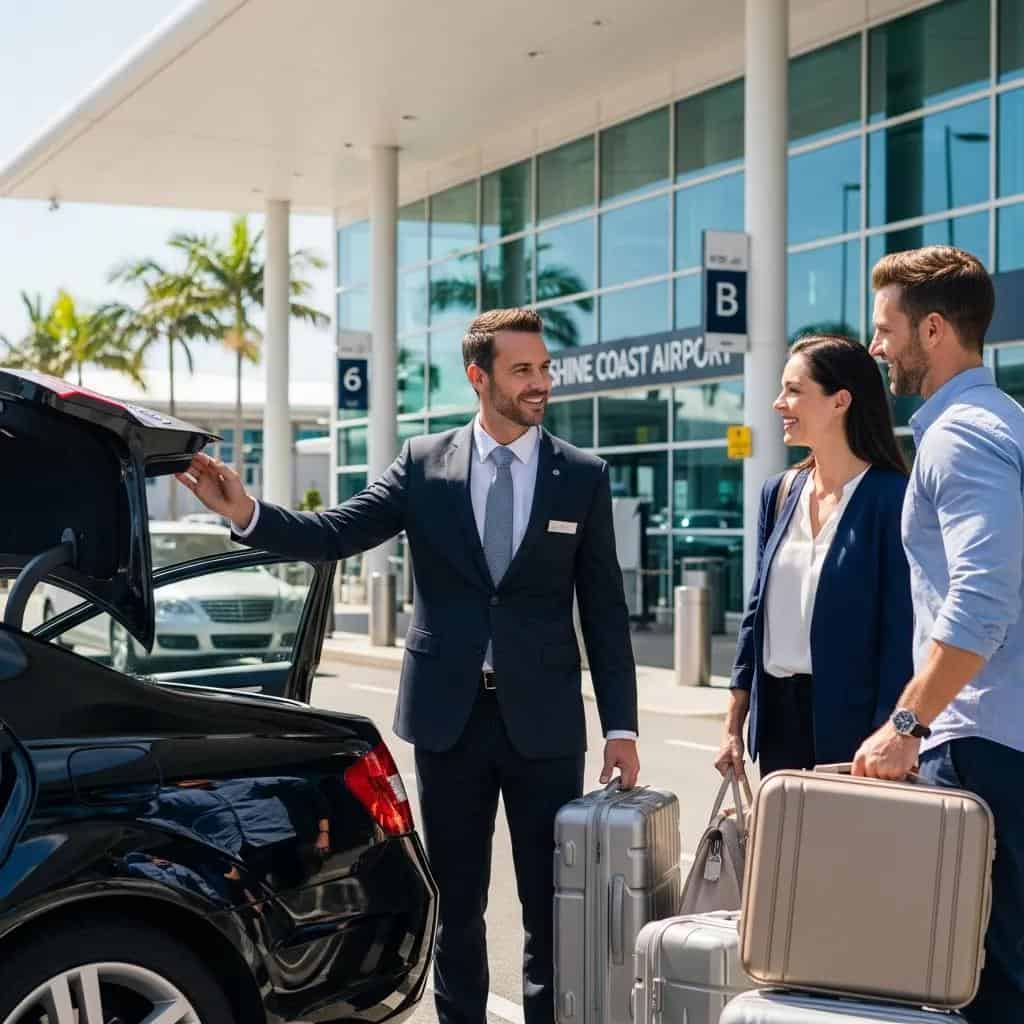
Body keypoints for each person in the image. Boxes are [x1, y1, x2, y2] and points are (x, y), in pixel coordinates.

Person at [176, 307, 639, 1024]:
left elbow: (604, 612)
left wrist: (623, 728)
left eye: (545, 367)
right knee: (457, 902)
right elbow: (336, 532)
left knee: (551, 904)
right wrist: (248, 513)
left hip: (544, 723)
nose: (540, 381)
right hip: (449, 719)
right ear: (478, 377)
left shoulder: (580, 476)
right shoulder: (426, 466)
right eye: (523, 370)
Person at [855, 246, 1023, 1022]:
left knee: (983, 975)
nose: (876, 347)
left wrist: (905, 724)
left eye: (886, 328)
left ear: (932, 329)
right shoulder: (1006, 421)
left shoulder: (961, 437)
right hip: (1003, 738)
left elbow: (982, 601)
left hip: (988, 745)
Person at [716, 334, 913, 778]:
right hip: (777, 728)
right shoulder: (779, 492)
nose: (777, 403)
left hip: (858, 733)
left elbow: (902, 636)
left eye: (794, 390)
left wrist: (895, 733)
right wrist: (733, 722)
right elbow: (755, 616)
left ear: (840, 400)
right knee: (779, 848)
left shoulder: (893, 499)